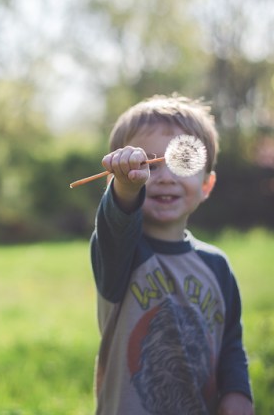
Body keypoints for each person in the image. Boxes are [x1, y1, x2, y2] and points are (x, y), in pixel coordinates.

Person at [89, 94, 254, 415]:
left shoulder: (216, 266)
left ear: (207, 184)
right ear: (117, 179)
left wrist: (238, 393)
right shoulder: (120, 252)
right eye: (147, 162)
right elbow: (116, 224)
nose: (164, 175)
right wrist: (127, 187)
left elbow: (231, 343)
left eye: (182, 161)